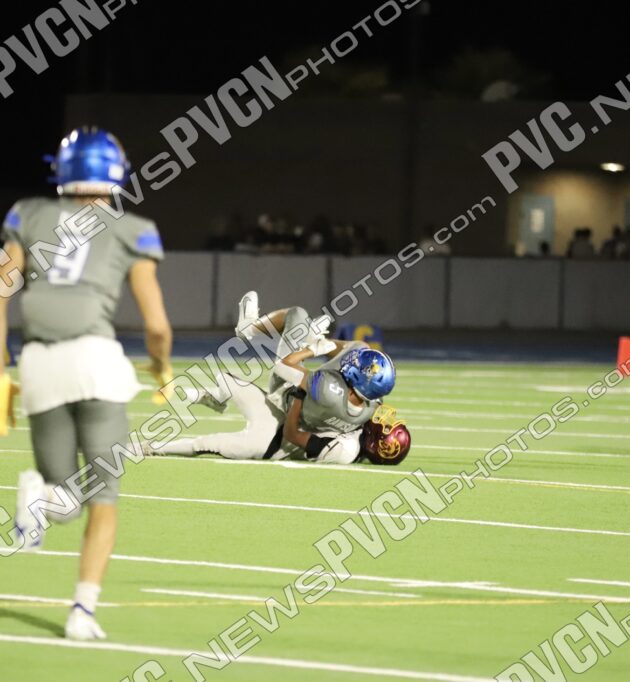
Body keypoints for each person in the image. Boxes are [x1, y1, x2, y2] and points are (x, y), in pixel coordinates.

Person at [0, 127, 173, 640]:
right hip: (95, 361)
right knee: (102, 496)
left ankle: (40, 495)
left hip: (39, 362)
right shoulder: (133, 228)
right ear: (117, 173)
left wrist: (1, 367)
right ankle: (82, 612)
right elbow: (157, 326)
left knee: (64, 496)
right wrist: (161, 366)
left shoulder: (27, 214)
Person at [148, 293, 409, 465]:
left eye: (385, 427)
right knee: (226, 379)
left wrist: (312, 350)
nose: (383, 418)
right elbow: (351, 349)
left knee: (206, 444)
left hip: (283, 418)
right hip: (303, 403)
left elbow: (284, 369)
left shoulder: (345, 444)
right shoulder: (367, 405)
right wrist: (322, 343)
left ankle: (148, 447)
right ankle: (218, 392)